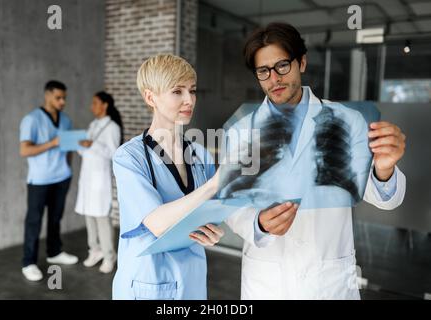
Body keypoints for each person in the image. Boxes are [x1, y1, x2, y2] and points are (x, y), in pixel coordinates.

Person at [223, 22, 407, 299]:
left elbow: (383, 198)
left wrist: (384, 169)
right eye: (264, 71)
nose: (274, 79)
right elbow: (231, 205)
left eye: (282, 65)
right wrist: (259, 223)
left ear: (302, 63)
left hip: (329, 283)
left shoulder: (346, 121)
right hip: (268, 284)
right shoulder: (241, 133)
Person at [112, 54, 224, 300]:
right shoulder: (129, 157)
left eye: (192, 90)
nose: (189, 100)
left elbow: (211, 209)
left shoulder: (199, 153)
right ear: (150, 97)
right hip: (147, 281)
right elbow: (158, 223)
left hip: (191, 278)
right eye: (177, 91)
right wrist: (215, 183)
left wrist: (214, 228)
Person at [19, 80, 79, 282]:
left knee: (55, 218)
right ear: (47, 95)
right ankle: (29, 263)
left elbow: (69, 147)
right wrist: (52, 143)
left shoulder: (66, 120)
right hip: (39, 181)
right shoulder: (32, 119)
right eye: (58, 98)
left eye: (64, 98)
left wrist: (68, 169)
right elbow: (24, 150)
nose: (62, 102)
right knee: (34, 221)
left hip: (61, 178)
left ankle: (54, 252)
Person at [75, 91, 122, 273]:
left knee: (102, 218)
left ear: (105, 105)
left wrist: (92, 145)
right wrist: (82, 145)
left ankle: (109, 255)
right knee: (89, 216)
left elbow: (113, 153)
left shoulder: (112, 127)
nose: (91, 106)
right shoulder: (93, 124)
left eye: (95, 103)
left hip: (100, 181)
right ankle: (94, 250)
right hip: (86, 179)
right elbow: (84, 151)